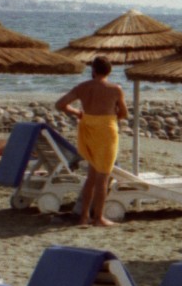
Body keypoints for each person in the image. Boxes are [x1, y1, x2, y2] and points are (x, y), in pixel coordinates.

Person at [55, 58, 128, 227]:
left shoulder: (83, 87)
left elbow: (60, 104)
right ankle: (98, 218)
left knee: (91, 176)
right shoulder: (115, 89)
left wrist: (77, 112)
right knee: (103, 177)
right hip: (107, 130)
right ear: (109, 72)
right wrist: (111, 116)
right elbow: (123, 113)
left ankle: (83, 217)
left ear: (93, 70)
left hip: (88, 128)